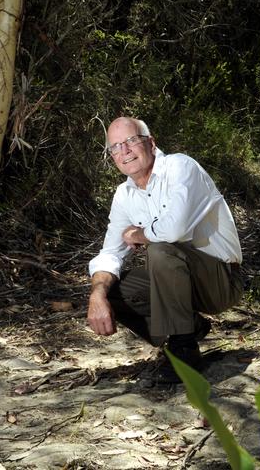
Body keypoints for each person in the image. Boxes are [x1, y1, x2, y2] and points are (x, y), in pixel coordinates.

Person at [87, 117, 243, 383]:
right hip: (177, 282)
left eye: (131, 141)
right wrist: (96, 294)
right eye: (115, 147)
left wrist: (137, 234)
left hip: (219, 280)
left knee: (160, 251)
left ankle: (185, 353)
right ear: (111, 156)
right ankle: (189, 329)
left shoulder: (180, 167)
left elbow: (174, 231)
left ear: (150, 142)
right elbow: (111, 253)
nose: (124, 151)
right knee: (110, 292)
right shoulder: (124, 195)